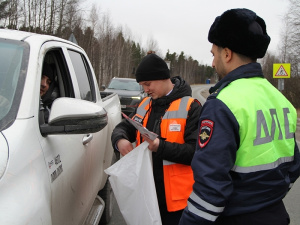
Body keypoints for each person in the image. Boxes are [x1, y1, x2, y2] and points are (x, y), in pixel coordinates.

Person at [179, 8, 300, 225]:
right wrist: (269, 198)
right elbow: (293, 165)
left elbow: (210, 189)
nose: (213, 63)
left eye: (214, 54)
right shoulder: (282, 101)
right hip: (276, 215)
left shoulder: (222, 104)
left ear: (227, 54)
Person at [111, 53, 202, 225]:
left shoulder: (191, 107)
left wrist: (160, 146)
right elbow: (124, 127)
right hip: (146, 195)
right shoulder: (144, 105)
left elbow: (195, 152)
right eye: (142, 85)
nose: (145, 89)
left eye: (148, 84)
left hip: (178, 203)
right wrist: (120, 140)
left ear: (162, 78)